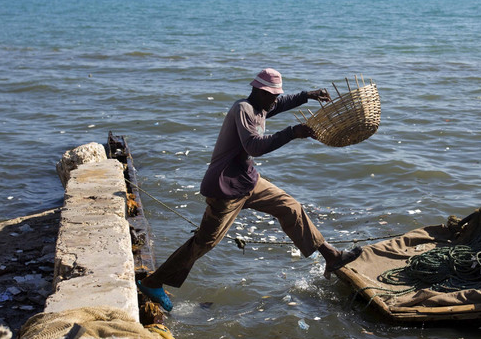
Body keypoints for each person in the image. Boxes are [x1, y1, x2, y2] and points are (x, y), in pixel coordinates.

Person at [137, 68, 363, 308]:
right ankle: (154, 282)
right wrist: (291, 133)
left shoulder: (262, 106)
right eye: (271, 94)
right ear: (257, 90)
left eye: (276, 94)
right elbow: (254, 147)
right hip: (225, 185)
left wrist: (308, 95)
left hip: (248, 180)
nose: (275, 99)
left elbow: (282, 103)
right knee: (205, 242)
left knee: (290, 207)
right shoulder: (243, 109)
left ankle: (332, 256)